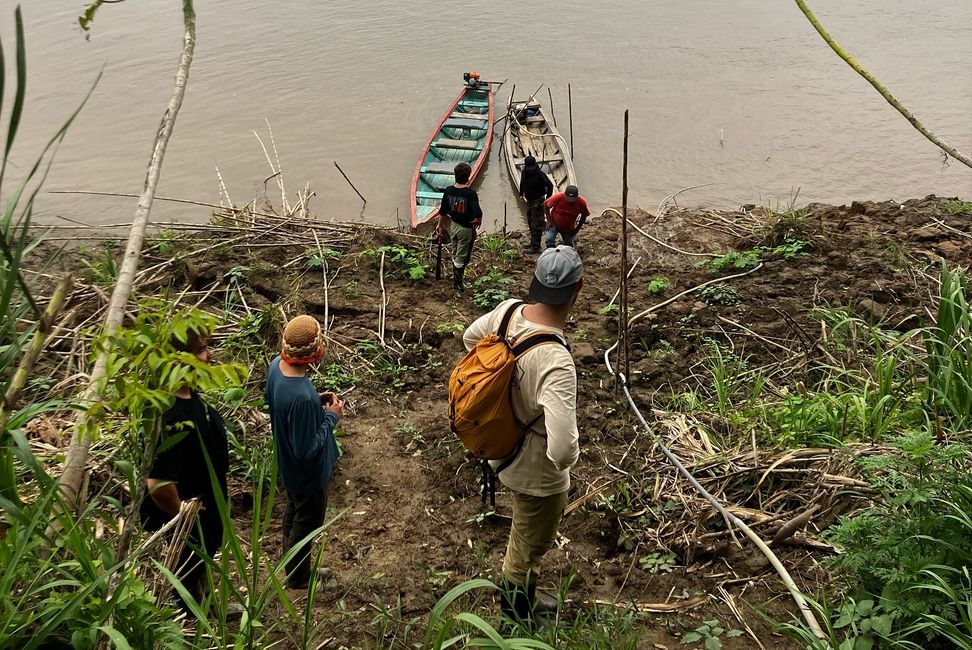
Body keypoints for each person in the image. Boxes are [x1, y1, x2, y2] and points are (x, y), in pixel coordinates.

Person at [461, 246, 583, 625]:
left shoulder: (507, 311)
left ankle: (525, 596)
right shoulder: (556, 361)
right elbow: (562, 450)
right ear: (576, 290)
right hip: (536, 473)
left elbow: (470, 340)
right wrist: (570, 456)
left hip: (500, 447)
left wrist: (505, 395)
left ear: (536, 282)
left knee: (524, 533)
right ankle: (514, 619)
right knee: (528, 545)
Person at [141, 328, 237, 617]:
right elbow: (158, 483)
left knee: (198, 565)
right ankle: (194, 620)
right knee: (186, 568)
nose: (210, 355)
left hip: (204, 506)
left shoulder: (187, 395)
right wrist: (186, 521)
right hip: (186, 517)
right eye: (201, 350)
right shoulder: (168, 414)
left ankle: (204, 604)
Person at [265, 315, 344, 590]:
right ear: (315, 351)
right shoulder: (300, 396)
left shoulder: (276, 368)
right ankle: (298, 577)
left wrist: (315, 404)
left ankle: (292, 563)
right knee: (307, 519)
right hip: (307, 475)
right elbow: (307, 449)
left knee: (294, 511)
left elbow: (278, 408)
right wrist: (331, 417)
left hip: (287, 465)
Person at [436, 161, 483, 294]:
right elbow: (478, 212)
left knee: (456, 251)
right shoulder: (470, 194)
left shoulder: (449, 190)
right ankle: (458, 284)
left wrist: (440, 227)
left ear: (455, 175)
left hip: (454, 226)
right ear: (468, 177)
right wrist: (478, 220)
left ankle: (456, 278)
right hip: (466, 229)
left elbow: (443, 211)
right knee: (463, 256)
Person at [518, 155, 554, 253]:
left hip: (538, 202)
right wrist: (521, 194)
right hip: (529, 201)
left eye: (531, 168)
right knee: (530, 222)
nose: (530, 170)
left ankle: (536, 247)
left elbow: (550, 185)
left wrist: (547, 200)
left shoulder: (539, 174)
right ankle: (533, 242)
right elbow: (522, 183)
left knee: (536, 224)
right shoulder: (524, 172)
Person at [543, 185, 590, 249]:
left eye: (572, 199)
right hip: (554, 223)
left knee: (569, 246)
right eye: (568, 198)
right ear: (565, 194)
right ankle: (551, 250)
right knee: (549, 239)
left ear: (577, 196)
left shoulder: (581, 202)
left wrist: (577, 229)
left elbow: (584, 216)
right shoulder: (558, 197)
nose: (570, 201)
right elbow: (546, 204)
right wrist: (549, 220)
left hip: (568, 228)